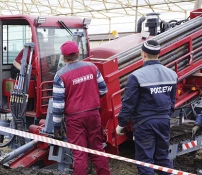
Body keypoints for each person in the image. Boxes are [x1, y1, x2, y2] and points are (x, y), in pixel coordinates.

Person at [116, 40, 178, 175]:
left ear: (143, 54)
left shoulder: (137, 76)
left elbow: (129, 103)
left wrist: (121, 123)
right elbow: (173, 100)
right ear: (159, 54)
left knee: (145, 160)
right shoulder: (172, 74)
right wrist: (166, 116)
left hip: (144, 124)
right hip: (164, 121)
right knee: (163, 157)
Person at [53, 41, 110, 175]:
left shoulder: (60, 75)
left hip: (75, 119)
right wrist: (91, 101)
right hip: (93, 114)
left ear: (63, 57)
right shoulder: (92, 67)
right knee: (97, 149)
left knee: (79, 153)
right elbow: (103, 90)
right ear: (78, 54)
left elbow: (58, 106)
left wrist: (56, 127)